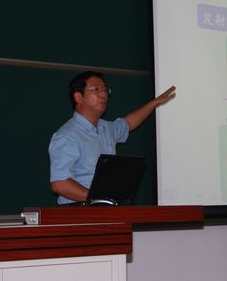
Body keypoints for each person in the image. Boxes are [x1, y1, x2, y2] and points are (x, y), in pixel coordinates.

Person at [49, 71, 176, 205]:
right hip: (79, 209)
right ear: (78, 97)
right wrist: (100, 198)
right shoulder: (67, 136)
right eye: (96, 89)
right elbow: (59, 184)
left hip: (106, 207)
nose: (103, 95)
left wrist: (155, 102)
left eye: (105, 90)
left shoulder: (106, 128)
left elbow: (128, 123)